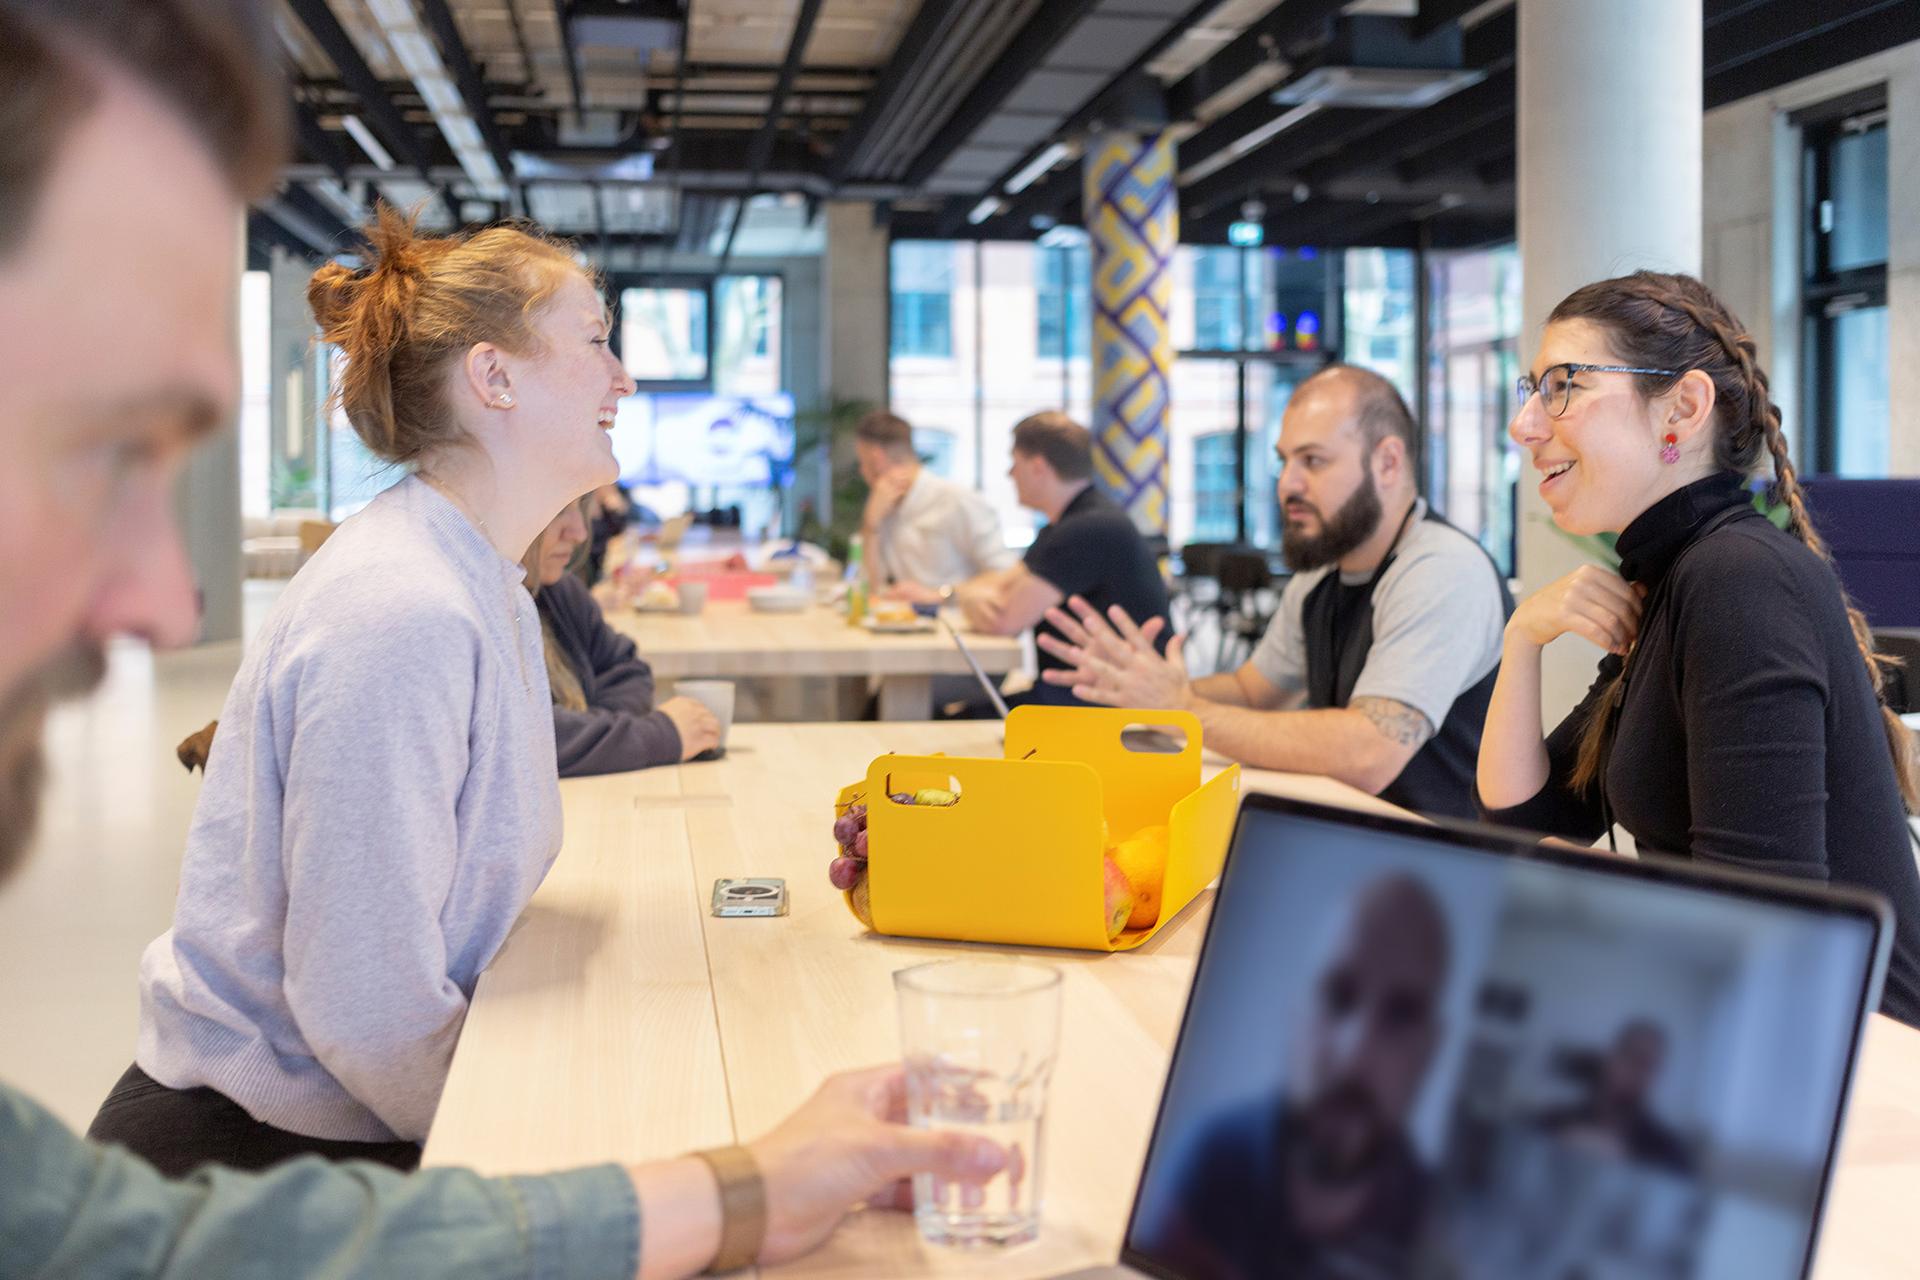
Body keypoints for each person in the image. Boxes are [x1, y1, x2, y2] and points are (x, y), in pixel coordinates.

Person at [0, 5, 1002, 1273]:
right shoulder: (406, 604)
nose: (623, 376)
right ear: (495, 379)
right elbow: (365, 1008)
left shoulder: (469, 572)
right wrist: (557, 1157)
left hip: (344, 1124)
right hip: (265, 1161)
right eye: (595, 340)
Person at [1475, 271, 1920, 1031]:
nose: (1525, 424)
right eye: (1531, 388)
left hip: (1865, 1072)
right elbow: (1527, 816)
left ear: (1681, 408)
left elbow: (1761, 929)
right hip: (1771, 1039)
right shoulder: (1676, 575)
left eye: (1563, 386)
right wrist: (1522, 640)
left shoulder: (1736, 581)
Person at [1036, 367, 1509, 819]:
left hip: (1445, 864)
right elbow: (1252, 691)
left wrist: (1182, 710)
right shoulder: (1324, 571)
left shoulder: (1442, 568)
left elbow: (1370, 751)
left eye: (1313, 461)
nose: (1287, 484)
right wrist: (1145, 689)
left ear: (1387, 462)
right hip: (1358, 840)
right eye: (1283, 461)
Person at [1148, 873, 1453, 1277]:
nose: (1355, 1052)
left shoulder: (1442, 1235)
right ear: (1296, 1015)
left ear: (1429, 1050)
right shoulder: (1212, 1161)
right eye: (1338, 994)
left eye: (1401, 1014)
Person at [957, 412, 1172, 707]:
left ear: (1038, 467)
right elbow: (1005, 582)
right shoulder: (1067, 523)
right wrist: (968, 593)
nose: (1009, 474)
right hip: (1081, 695)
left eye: (1014, 462)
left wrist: (965, 596)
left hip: (1105, 707)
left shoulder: (1088, 528)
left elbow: (1003, 621)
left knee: (944, 722)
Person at [527, 501, 722, 774]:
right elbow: (525, 738)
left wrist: (597, 738)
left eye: (580, 511)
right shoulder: (476, 612)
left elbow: (628, 670)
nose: (579, 532)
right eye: (558, 511)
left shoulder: (560, 590)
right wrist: (650, 736)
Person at [853, 409, 1015, 602]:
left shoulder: (957, 500)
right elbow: (869, 589)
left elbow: (1008, 576)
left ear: (877, 459)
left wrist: (938, 595)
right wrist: (871, 525)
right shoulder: (883, 508)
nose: (861, 472)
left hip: (957, 625)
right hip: (906, 625)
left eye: (862, 463)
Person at [1536, 1019, 1692, 1174]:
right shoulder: (1552, 1124)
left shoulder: (1668, 1153)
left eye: (1649, 1066)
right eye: (1632, 1058)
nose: (1638, 1073)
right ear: (1611, 1058)